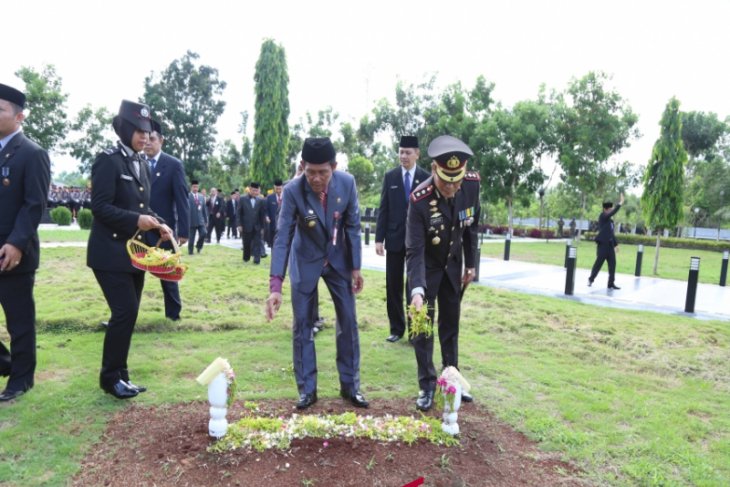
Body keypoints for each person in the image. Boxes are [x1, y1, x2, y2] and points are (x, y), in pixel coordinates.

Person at [266, 137, 368, 410]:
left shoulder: (347, 184)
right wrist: (276, 285)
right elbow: (282, 237)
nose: (316, 178)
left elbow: (353, 226)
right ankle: (307, 390)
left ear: (334, 167)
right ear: (302, 166)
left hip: (338, 262)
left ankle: (350, 386)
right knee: (302, 326)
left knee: (348, 321)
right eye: (310, 171)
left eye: (323, 172)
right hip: (305, 260)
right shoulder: (292, 191)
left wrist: (356, 267)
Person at [87, 100, 173, 400]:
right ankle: (110, 378)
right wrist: (137, 219)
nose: (144, 137)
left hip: (133, 253)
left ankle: (121, 375)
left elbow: (144, 206)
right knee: (124, 311)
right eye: (138, 130)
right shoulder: (107, 161)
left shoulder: (140, 162)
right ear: (123, 129)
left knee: (129, 313)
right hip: (108, 252)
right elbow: (99, 208)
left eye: (147, 131)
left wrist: (161, 224)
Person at [406, 135, 480, 411]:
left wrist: (471, 264)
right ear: (435, 169)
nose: (452, 187)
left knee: (451, 325)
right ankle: (426, 385)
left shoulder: (471, 186)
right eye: (446, 181)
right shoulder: (419, 199)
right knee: (423, 329)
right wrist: (417, 290)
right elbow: (413, 250)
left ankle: (451, 378)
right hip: (425, 267)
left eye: (456, 180)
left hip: (452, 265)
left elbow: (471, 226)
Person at [0, 83, 51, 402]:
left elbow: (34, 204)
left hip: (13, 253)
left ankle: (21, 380)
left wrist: (17, 243)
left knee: (18, 321)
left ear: (19, 117)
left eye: (0, 109)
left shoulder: (32, 154)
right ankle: (5, 363)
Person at [376, 135, 430, 343]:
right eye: (401, 152)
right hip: (395, 238)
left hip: (418, 241)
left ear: (417, 154)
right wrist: (379, 239)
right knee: (393, 285)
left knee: (415, 284)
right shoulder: (390, 177)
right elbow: (384, 209)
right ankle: (396, 328)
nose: (403, 156)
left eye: (408, 152)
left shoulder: (426, 178)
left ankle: (414, 330)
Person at [143, 120, 189, 321]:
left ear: (161, 141)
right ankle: (126, 316)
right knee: (133, 273)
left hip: (164, 230)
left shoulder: (173, 165)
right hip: (139, 228)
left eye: (152, 139)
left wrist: (183, 231)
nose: (148, 143)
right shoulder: (137, 163)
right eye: (145, 139)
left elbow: (182, 200)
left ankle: (173, 316)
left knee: (168, 274)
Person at [588, 194, 624, 290]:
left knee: (613, 264)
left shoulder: (611, 222)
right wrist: (620, 203)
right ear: (605, 209)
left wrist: (616, 245)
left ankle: (611, 283)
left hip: (610, 246)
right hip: (602, 245)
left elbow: (611, 234)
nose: (611, 211)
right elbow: (612, 213)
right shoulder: (602, 217)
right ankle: (591, 279)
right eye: (610, 209)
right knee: (599, 263)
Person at [237, 182, 266, 264]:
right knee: (247, 243)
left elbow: (262, 215)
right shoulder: (242, 199)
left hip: (257, 226)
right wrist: (239, 224)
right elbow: (238, 213)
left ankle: (257, 260)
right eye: (253, 190)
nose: (255, 192)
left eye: (257, 191)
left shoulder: (260, 200)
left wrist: (263, 227)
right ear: (249, 189)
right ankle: (246, 258)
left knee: (257, 243)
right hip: (246, 226)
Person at [188, 180, 208, 254]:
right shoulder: (187, 196)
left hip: (200, 221)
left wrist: (206, 221)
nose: (195, 188)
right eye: (194, 187)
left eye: (196, 187)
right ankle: (190, 252)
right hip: (191, 221)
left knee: (204, 233)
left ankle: (199, 246)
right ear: (191, 187)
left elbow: (204, 210)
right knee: (191, 238)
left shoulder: (201, 197)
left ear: (198, 187)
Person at [265, 179, 283, 249]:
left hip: (284, 225)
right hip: (273, 225)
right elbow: (266, 210)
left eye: (279, 188)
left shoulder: (287, 197)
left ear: (282, 188)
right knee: (273, 245)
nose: (278, 190)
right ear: (274, 188)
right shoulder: (270, 198)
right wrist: (266, 216)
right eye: (276, 188)